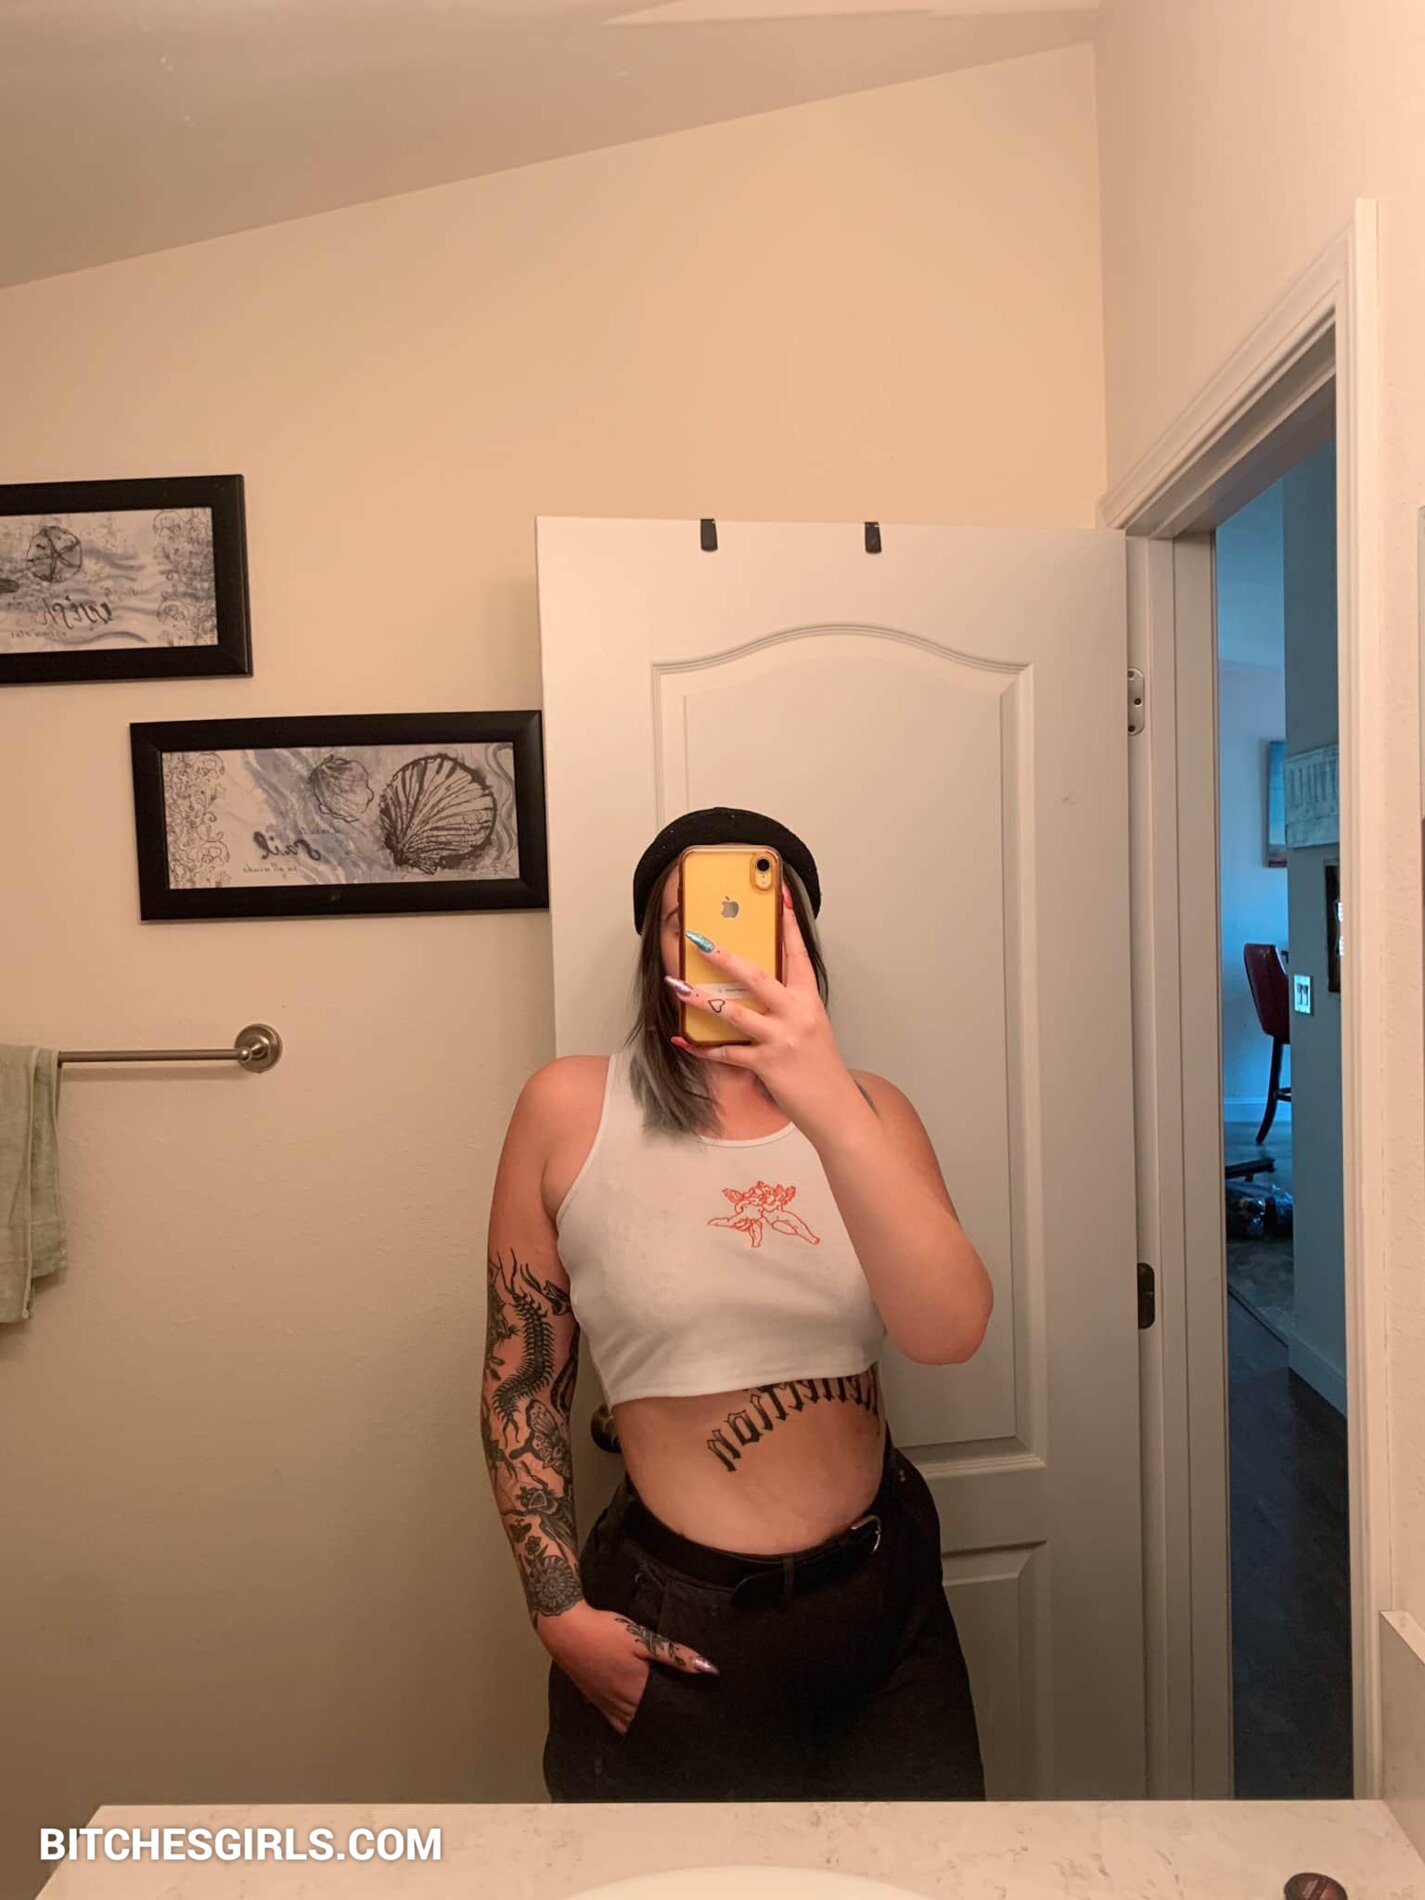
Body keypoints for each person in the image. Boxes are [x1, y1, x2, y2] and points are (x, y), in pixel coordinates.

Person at [482, 806, 992, 1801]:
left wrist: (825, 1096)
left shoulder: (872, 1113)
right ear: (653, 953)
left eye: (757, 919)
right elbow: (522, 1386)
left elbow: (949, 1333)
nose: (723, 947)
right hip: (676, 1620)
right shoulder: (570, 1109)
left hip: (885, 1603)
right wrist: (558, 1612)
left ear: (800, 946)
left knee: (920, 1872)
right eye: (692, 922)